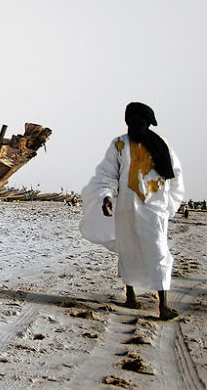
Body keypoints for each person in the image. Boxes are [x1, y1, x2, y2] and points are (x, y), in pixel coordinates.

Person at [79, 102, 185, 320]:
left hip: (154, 208)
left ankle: (163, 305)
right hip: (126, 207)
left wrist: (168, 206)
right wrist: (107, 195)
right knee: (127, 250)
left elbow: (174, 177)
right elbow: (108, 174)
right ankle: (130, 295)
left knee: (158, 250)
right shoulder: (119, 144)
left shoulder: (161, 144)